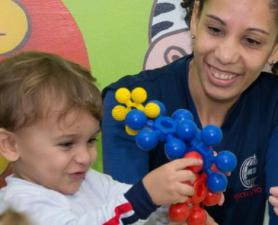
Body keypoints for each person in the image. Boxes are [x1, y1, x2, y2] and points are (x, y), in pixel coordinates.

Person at [101, 0, 278, 224]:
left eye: (252, 41)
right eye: (215, 30)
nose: (225, 55)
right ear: (195, 17)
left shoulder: (273, 102)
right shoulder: (131, 105)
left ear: (275, 48)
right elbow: (119, 215)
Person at [0, 51, 203, 225]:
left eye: (90, 141)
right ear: (10, 145)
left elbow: (131, 208)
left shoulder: (86, 179)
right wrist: (144, 197)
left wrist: (178, 200)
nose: (85, 157)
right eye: (66, 144)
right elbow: (133, 204)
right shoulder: (19, 209)